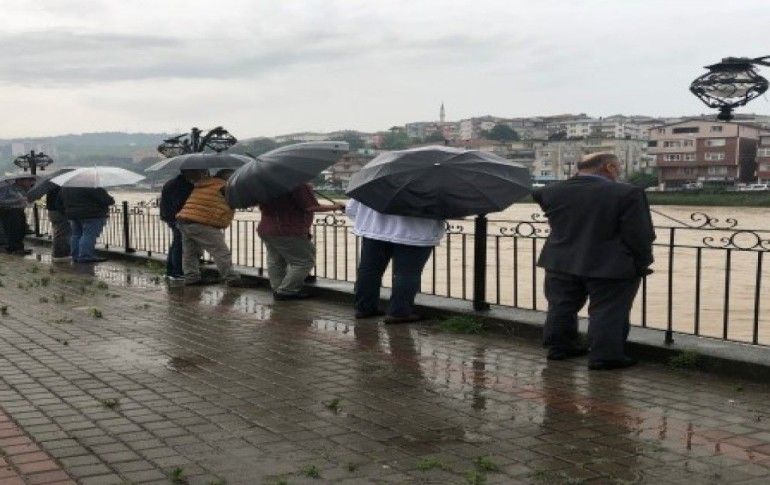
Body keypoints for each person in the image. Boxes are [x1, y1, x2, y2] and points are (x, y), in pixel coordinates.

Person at [532, 153, 655, 370]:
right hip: (610, 263)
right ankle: (605, 356)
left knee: (561, 306)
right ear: (609, 167)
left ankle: (559, 347)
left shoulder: (549, 191)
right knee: (608, 310)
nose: (619, 172)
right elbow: (639, 234)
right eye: (618, 167)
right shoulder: (628, 193)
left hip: (560, 260)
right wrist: (642, 262)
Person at [346, 199, 446, 323]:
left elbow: (351, 208)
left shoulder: (373, 186)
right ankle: (399, 312)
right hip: (416, 233)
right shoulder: (429, 188)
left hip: (374, 230)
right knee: (407, 274)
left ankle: (364, 308)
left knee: (369, 271)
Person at [257, 184, 343, 300]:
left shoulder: (266, 185)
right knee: (304, 261)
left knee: (276, 261)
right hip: (288, 229)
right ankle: (286, 291)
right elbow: (311, 207)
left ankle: (278, 288)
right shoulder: (298, 184)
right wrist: (336, 206)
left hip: (266, 228)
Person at [176, 169, 246, 287]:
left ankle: (191, 277)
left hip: (184, 220)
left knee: (190, 252)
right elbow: (239, 202)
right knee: (220, 251)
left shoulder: (205, 184)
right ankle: (232, 278)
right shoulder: (224, 187)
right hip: (201, 223)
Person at [159, 170, 198, 279]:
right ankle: (177, 271)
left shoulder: (171, 183)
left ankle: (171, 270)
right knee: (179, 243)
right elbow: (180, 203)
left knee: (176, 242)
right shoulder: (182, 185)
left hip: (169, 216)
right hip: (177, 217)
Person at [60, 186, 115, 263]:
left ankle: (76, 256)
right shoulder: (90, 185)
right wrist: (111, 199)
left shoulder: (67, 186)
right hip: (92, 215)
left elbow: (60, 200)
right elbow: (106, 200)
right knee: (89, 235)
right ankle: (85, 256)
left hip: (73, 214)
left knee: (76, 235)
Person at [0, 176, 36, 255]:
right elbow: (2, 201)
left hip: (20, 211)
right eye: (28, 180)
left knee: (21, 230)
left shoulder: (24, 189)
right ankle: (13, 248)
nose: (30, 182)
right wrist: (17, 200)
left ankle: (19, 248)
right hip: (10, 211)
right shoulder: (8, 189)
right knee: (13, 230)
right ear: (20, 181)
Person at [46, 186, 71, 261]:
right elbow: (60, 202)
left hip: (52, 211)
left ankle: (57, 253)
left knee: (57, 232)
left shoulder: (51, 187)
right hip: (59, 212)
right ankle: (60, 254)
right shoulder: (60, 188)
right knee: (61, 233)